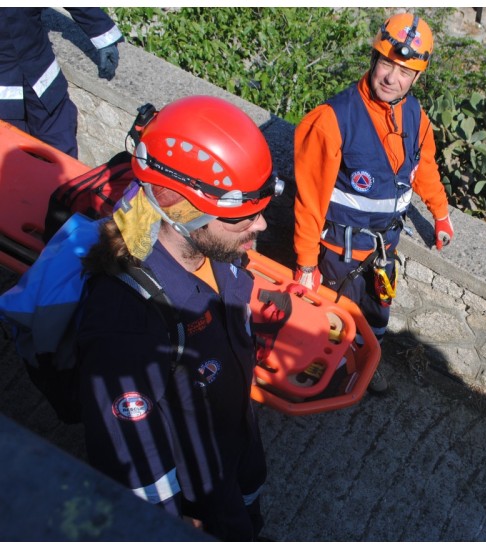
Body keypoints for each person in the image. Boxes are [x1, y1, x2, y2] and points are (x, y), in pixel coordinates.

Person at [76, 96, 281, 541]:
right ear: (184, 209)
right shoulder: (127, 325)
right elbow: (131, 456)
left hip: (235, 449)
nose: (261, 226)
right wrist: (165, 524)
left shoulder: (219, 254)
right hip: (200, 495)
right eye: (243, 216)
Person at [292, 12, 454, 394]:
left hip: (383, 254)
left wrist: (441, 215)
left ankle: (365, 368)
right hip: (337, 255)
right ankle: (320, 380)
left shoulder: (416, 117)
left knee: (376, 319)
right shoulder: (334, 119)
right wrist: (304, 263)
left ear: (416, 78)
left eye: (403, 71)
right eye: (386, 63)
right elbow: (309, 200)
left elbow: (424, 168)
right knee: (330, 325)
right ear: (373, 58)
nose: (390, 78)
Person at [0, 7, 123, 158]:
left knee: (63, 158)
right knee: (15, 167)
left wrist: (103, 34)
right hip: (10, 98)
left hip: (43, 81)